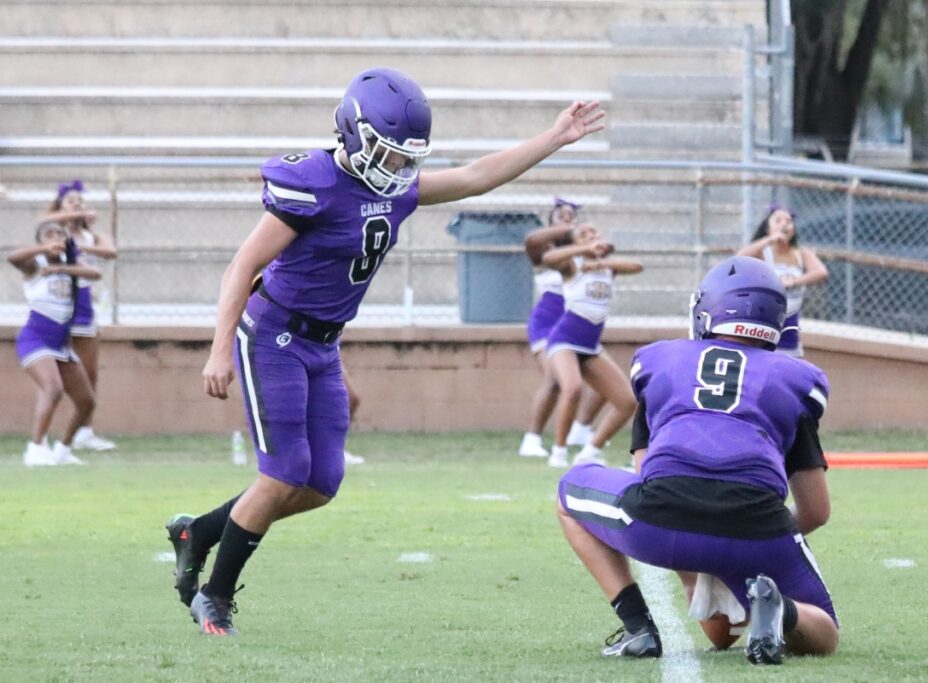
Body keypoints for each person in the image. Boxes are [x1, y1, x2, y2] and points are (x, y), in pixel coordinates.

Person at [164, 67, 605, 635]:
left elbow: (475, 177)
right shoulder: (315, 183)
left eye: (404, 155)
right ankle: (213, 598)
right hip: (273, 334)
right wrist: (218, 349)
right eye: (387, 151)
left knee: (320, 484)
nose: (396, 166)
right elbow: (242, 266)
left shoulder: (394, 187)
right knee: (284, 473)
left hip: (324, 342)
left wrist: (552, 138)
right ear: (351, 131)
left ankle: (197, 532)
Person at [555, 255, 839, 665]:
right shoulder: (793, 382)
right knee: (824, 631)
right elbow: (816, 511)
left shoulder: (662, 364)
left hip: (662, 521)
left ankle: (637, 628)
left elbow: (646, 479)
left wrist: (694, 559)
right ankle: (780, 608)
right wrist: (738, 549)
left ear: (706, 311)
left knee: (569, 495)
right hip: (757, 527)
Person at [542, 223, 642, 468]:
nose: (591, 237)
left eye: (594, 233)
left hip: (590, 345)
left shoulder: (607, 268)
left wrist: (600, 263)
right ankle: (559, 451)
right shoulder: (572, 266)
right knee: (573, 387)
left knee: (628, 401)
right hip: (564, 339)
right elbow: (548, 257)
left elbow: (637, 266)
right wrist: (583, 249)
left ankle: (591, 450)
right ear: (575, 243)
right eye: (583, 234)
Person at [8, 219, 101, 466]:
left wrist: (62, 269)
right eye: (48, 234)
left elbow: (96, 273)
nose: (55, 237)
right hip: (35, 338)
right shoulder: (34, 265)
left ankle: (63, 449)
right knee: (53, 388)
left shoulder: (71, 266)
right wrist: (43, 251)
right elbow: (13, 258)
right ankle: (36, 448)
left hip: (61, 344)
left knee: (86, 402)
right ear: (40, 241)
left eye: (59, 233)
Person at [518, 198, 606, 457]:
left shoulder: (585, 249)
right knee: (556, 379)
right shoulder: (545, 252)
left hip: (573, 323)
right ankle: (532, 440)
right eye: (562, 217)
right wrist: (568, 233)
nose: (568, 221)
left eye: (572, 217)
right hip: (548, 321)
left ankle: (582, 428)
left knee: (605, 380)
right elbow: (532, 240)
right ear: (552, 224)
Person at [49, 179, 119, 451]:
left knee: (89, 372)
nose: (78, 207)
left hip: (84, 304)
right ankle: (50, 433)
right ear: (61, 206)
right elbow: (45, 220)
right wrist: (73, 217)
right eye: (72, 202)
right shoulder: (53, 232)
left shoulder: (90, 237)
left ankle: (84, 430)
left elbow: (110, 251)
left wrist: (82, 249)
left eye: (81, 202)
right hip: (59, 303)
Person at [737, 206, 827, 356]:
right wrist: (770, 240)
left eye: (789, 221)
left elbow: (821, 272)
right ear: (768, 227)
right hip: (765, 320)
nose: (784, 224)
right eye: (778, 221)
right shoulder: (763, 253)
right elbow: (740, 258)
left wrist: (796, 281)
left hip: (790, 321)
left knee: (790, 360)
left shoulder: (801, 253)